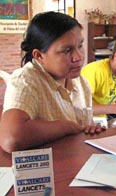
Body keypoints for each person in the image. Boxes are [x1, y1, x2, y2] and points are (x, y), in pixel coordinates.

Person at [0, 11, 105, 154]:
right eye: (67, 50)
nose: (78, 57)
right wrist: (66, 127)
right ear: (39, 56)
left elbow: (86, 125)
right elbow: (11, 138)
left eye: (80, 46)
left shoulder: (81, 83)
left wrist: (90, 129)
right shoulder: (26, 81)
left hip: (77, 164)